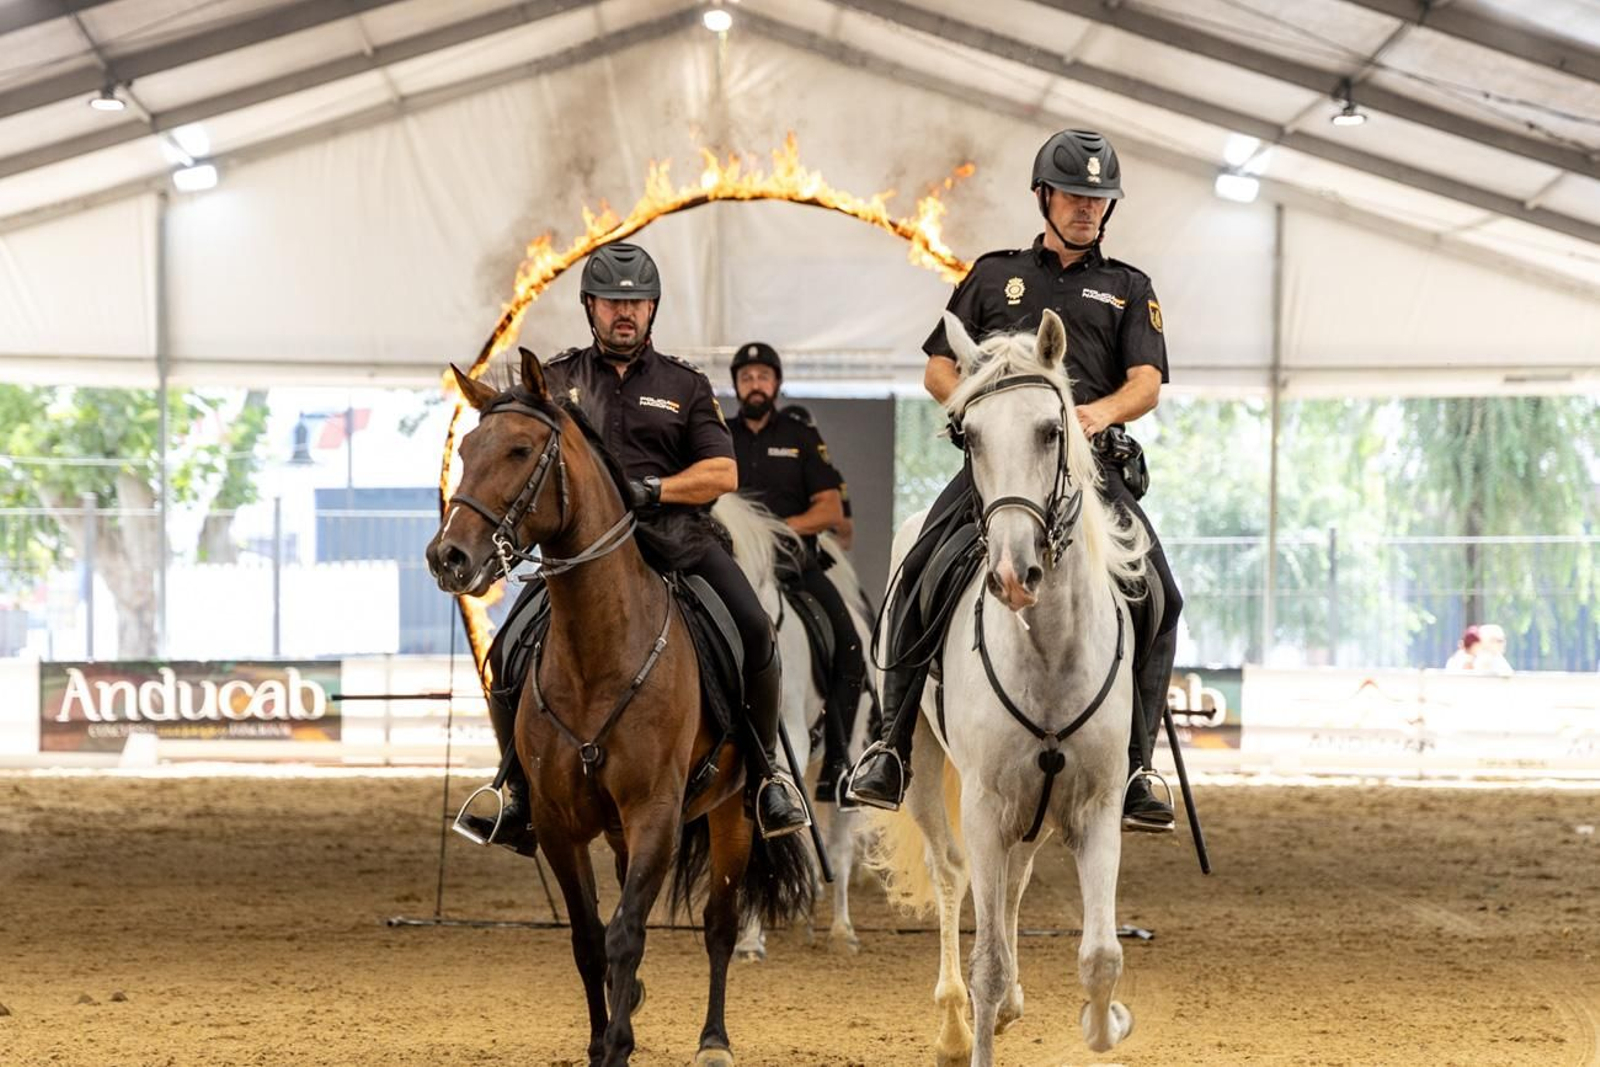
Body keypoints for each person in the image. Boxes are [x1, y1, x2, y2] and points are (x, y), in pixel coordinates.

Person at [846, 128, 1184, 833]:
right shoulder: (993, 275)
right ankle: (889, 744)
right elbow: (940, 366)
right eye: (1075, 195)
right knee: (916, 573)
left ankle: (1136, 764)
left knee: (1162, 594)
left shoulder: (1128, 288)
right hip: (998, 472)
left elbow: (1147, 383)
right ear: (1044, 197)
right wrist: (971, 407)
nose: (1088, 208)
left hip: (1087, 472)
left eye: (1099, 198)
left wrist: (1095, 413)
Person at [469, 243, 809, 851]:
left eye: (636, 302)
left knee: (756, 631)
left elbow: (722, 475)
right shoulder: (557, 380)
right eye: (611, 302)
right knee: (503, 654)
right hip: (580, 559)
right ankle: (515, 787)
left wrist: (652, 489)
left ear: (652, 309)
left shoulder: (685, 384)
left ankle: (765, 777)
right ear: (590, 308)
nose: (624, 313)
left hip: (676, 542)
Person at [727, 343, 866, 801]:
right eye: (746, 377)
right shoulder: (719, 436)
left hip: (794, 567)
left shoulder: (800, 436)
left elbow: (828, 508)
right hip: (732, 572)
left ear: (777, 384)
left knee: (849, 648)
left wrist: (776, 530)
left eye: (763, 376)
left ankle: (839, 763)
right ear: (736, 385)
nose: (755, 384)